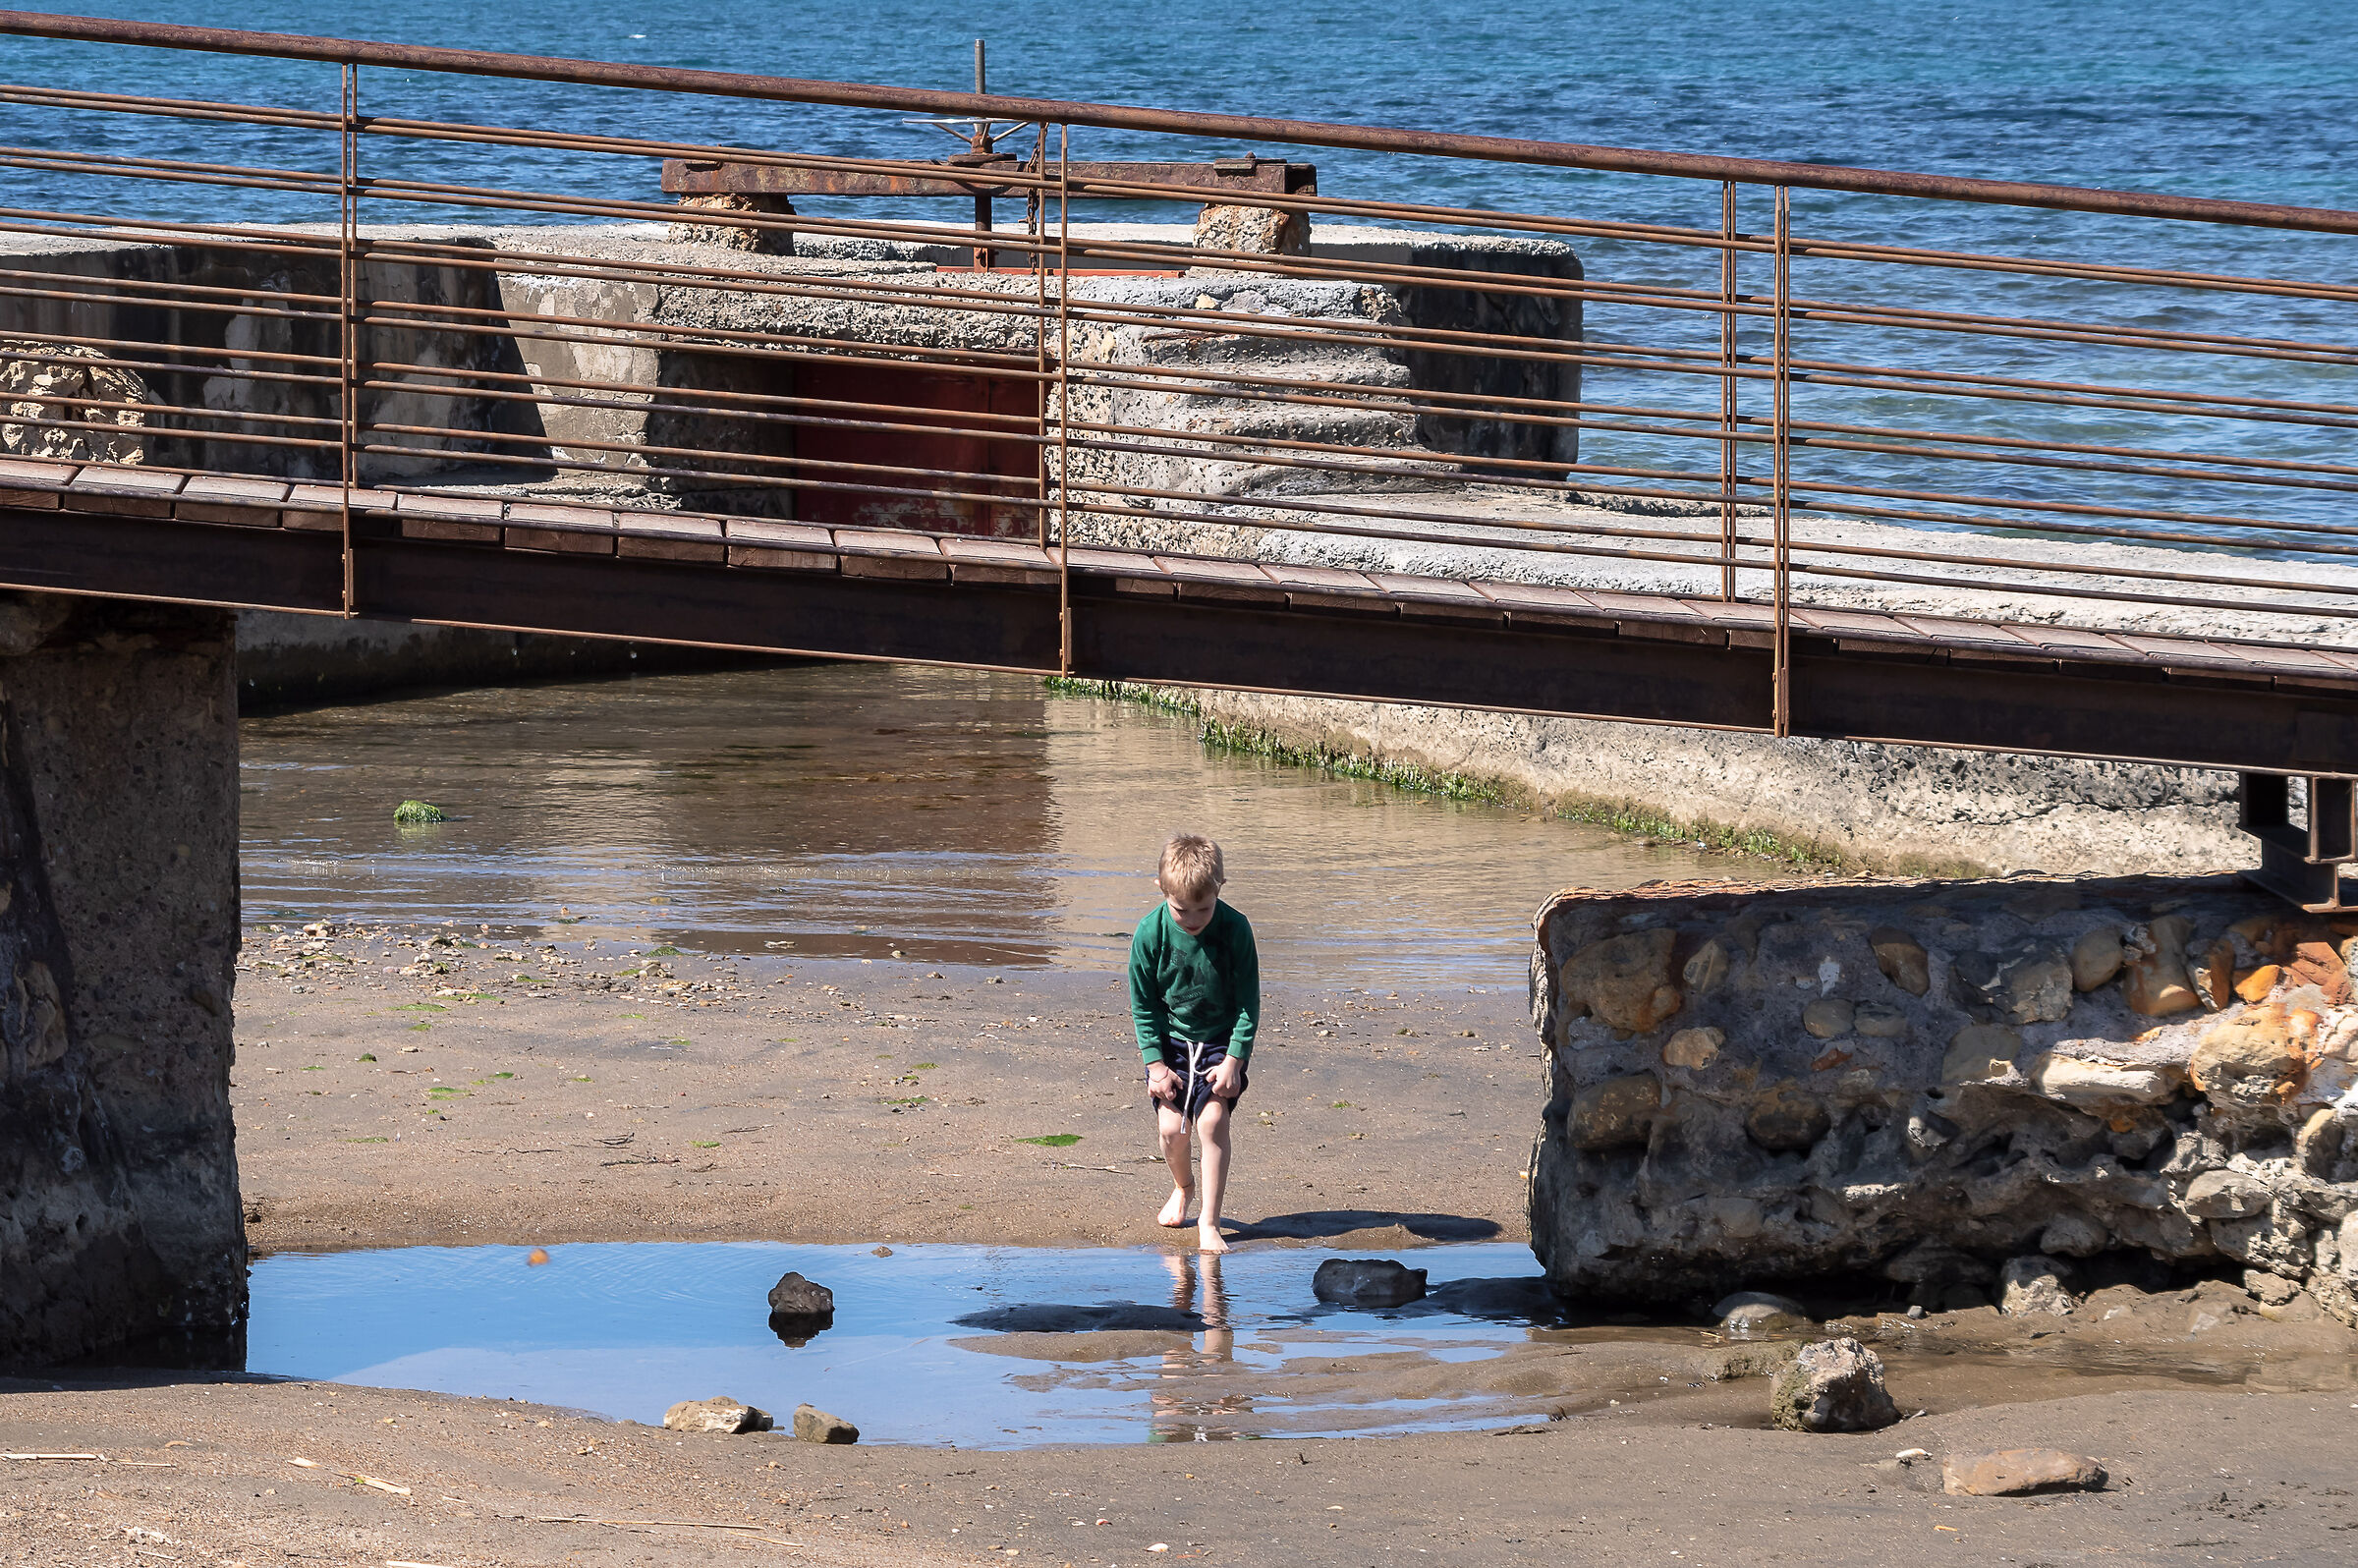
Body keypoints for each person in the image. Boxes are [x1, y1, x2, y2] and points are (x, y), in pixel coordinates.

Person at [1128, 832, 1260, 1254]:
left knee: (1211, 1122)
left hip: (1221, 1040)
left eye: (1204, 908)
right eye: (1182, 910)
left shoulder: (1235, 929)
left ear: (1220, 887)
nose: (1193, 919)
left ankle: (1209, 1221)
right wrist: (1155, 1066)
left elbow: (1248, 1002)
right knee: (1171, 1130)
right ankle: (1183, 1187)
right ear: (1162, 891)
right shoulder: (1150, 933)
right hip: (1171, 1043)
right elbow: (1143, 1004)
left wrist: (1235, 1060)